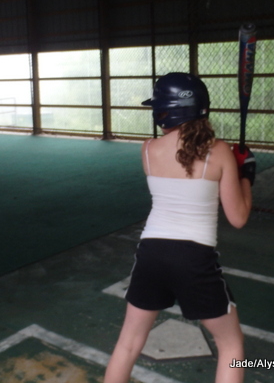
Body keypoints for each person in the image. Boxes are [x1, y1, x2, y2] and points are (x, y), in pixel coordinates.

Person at [104, 72, 255, 383]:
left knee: (128, 343)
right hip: (193, 258)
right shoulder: (220, 150)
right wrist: (246, 175)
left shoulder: (148, 149)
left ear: (168, 110)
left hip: (151, 253)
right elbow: (238, 217)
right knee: (230, 344)